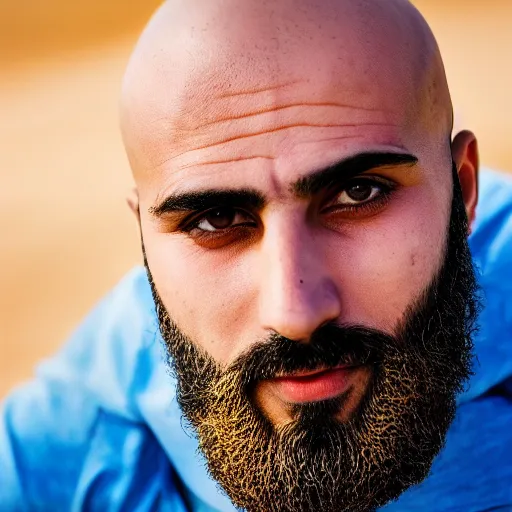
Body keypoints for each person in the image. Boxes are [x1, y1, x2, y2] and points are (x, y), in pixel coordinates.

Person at [2, 0, 512, 510]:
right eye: (216, 220)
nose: (295, 314)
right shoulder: (95, 428)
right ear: (146, 242)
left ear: (461, 190)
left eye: (358, 192)